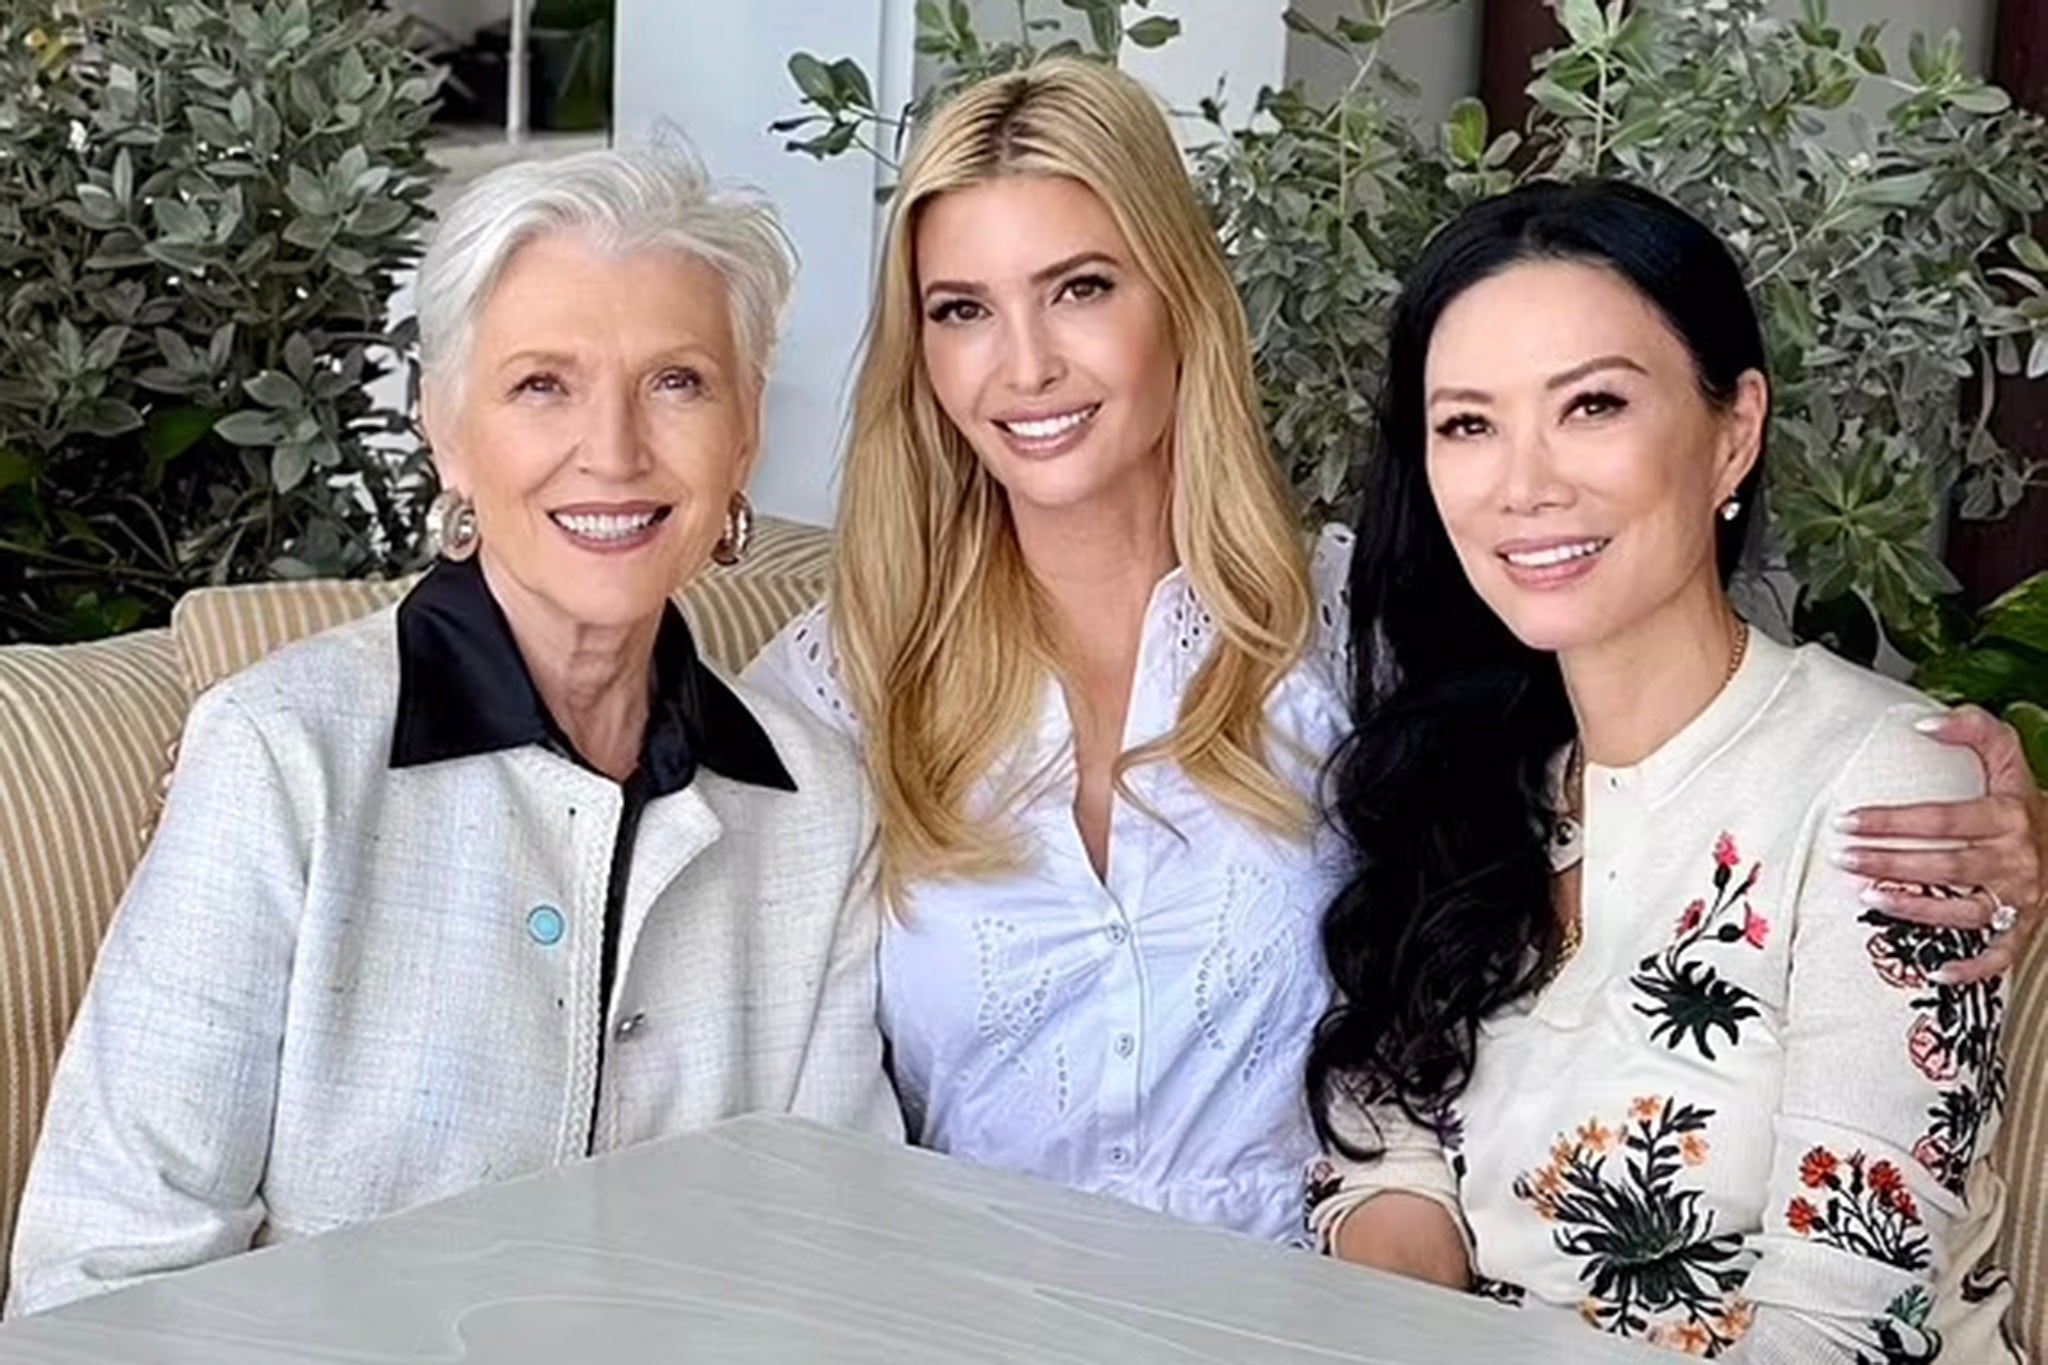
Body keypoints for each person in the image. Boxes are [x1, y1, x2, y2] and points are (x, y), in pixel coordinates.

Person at [6, 149, 898, 1316]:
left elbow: (834, 1257)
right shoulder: (284, 757)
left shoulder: (818, 801)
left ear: (744, 435)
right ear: (447, 431)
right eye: (542, 385)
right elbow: (100, 1284)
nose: (615, 451)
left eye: (677, 382)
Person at [1307, 179, 2028, 1362]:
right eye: (1466, 424)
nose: (1523, 482)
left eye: (1590, 405)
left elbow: (1841, 1319)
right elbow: (1387, 1155)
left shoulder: (1888, 787)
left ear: (1731, 430)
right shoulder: (1461, 762)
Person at [749, 58, 1354, 1242]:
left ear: (1177, 298)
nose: (1022, 366)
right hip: (958, 1320)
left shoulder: (1349, 631)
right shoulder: (839, 682)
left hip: (1304, 1318)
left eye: (1078, 288)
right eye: (961, 310)